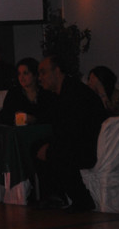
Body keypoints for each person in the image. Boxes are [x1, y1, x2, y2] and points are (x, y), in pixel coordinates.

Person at [35, 54, 107, 212]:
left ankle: (82, 200)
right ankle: (55, 196)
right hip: (82, 142)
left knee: (56, 152)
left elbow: (72, 131)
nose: (40, 78)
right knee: (40, 146)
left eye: (43, 72)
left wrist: (50, 148)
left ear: (57, 71)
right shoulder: (60, 94)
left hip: (90, 147)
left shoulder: (74, 94)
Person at [0, 57, 55, 125]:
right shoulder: (14, 93)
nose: (21, 77)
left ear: (35, 75)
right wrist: (15, 117)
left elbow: (51, 116)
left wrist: (34, 119)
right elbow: (4, 116)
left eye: (25, 73)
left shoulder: (45, 93)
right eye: (19, 74)